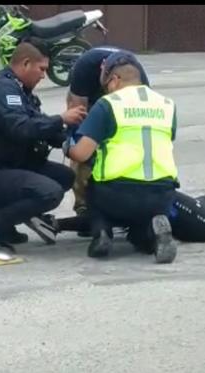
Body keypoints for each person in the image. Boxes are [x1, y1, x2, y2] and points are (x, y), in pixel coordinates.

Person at [0, 38, 87, 252]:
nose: (43, 75)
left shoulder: (20, 91)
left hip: (11, 165)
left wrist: (77, 138)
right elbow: (21, 128)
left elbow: (40, 126)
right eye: (41, 69)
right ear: (25, 63)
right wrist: (61, 118)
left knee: (65, 176)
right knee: (49, 192)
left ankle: (6, 223)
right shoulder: (1, 90)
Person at [63, 51, 179, 263]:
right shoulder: (167, 104)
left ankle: (102, 232)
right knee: (139, 232)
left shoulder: (108, 104)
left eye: (106, 83)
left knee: (94, 193)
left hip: (115, 195)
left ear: (115, 80)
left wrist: (66, 142)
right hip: (162, 195)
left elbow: (81, 153)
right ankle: (153, 234)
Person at [58, 47, 151, 236]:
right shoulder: (85, 68)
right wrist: (76, 143)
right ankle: (84, 209)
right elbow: (78, 115)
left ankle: (121, 207)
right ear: (103, 72)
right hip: (88, 103)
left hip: (123, 105)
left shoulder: (139, 79)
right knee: (83, 150)